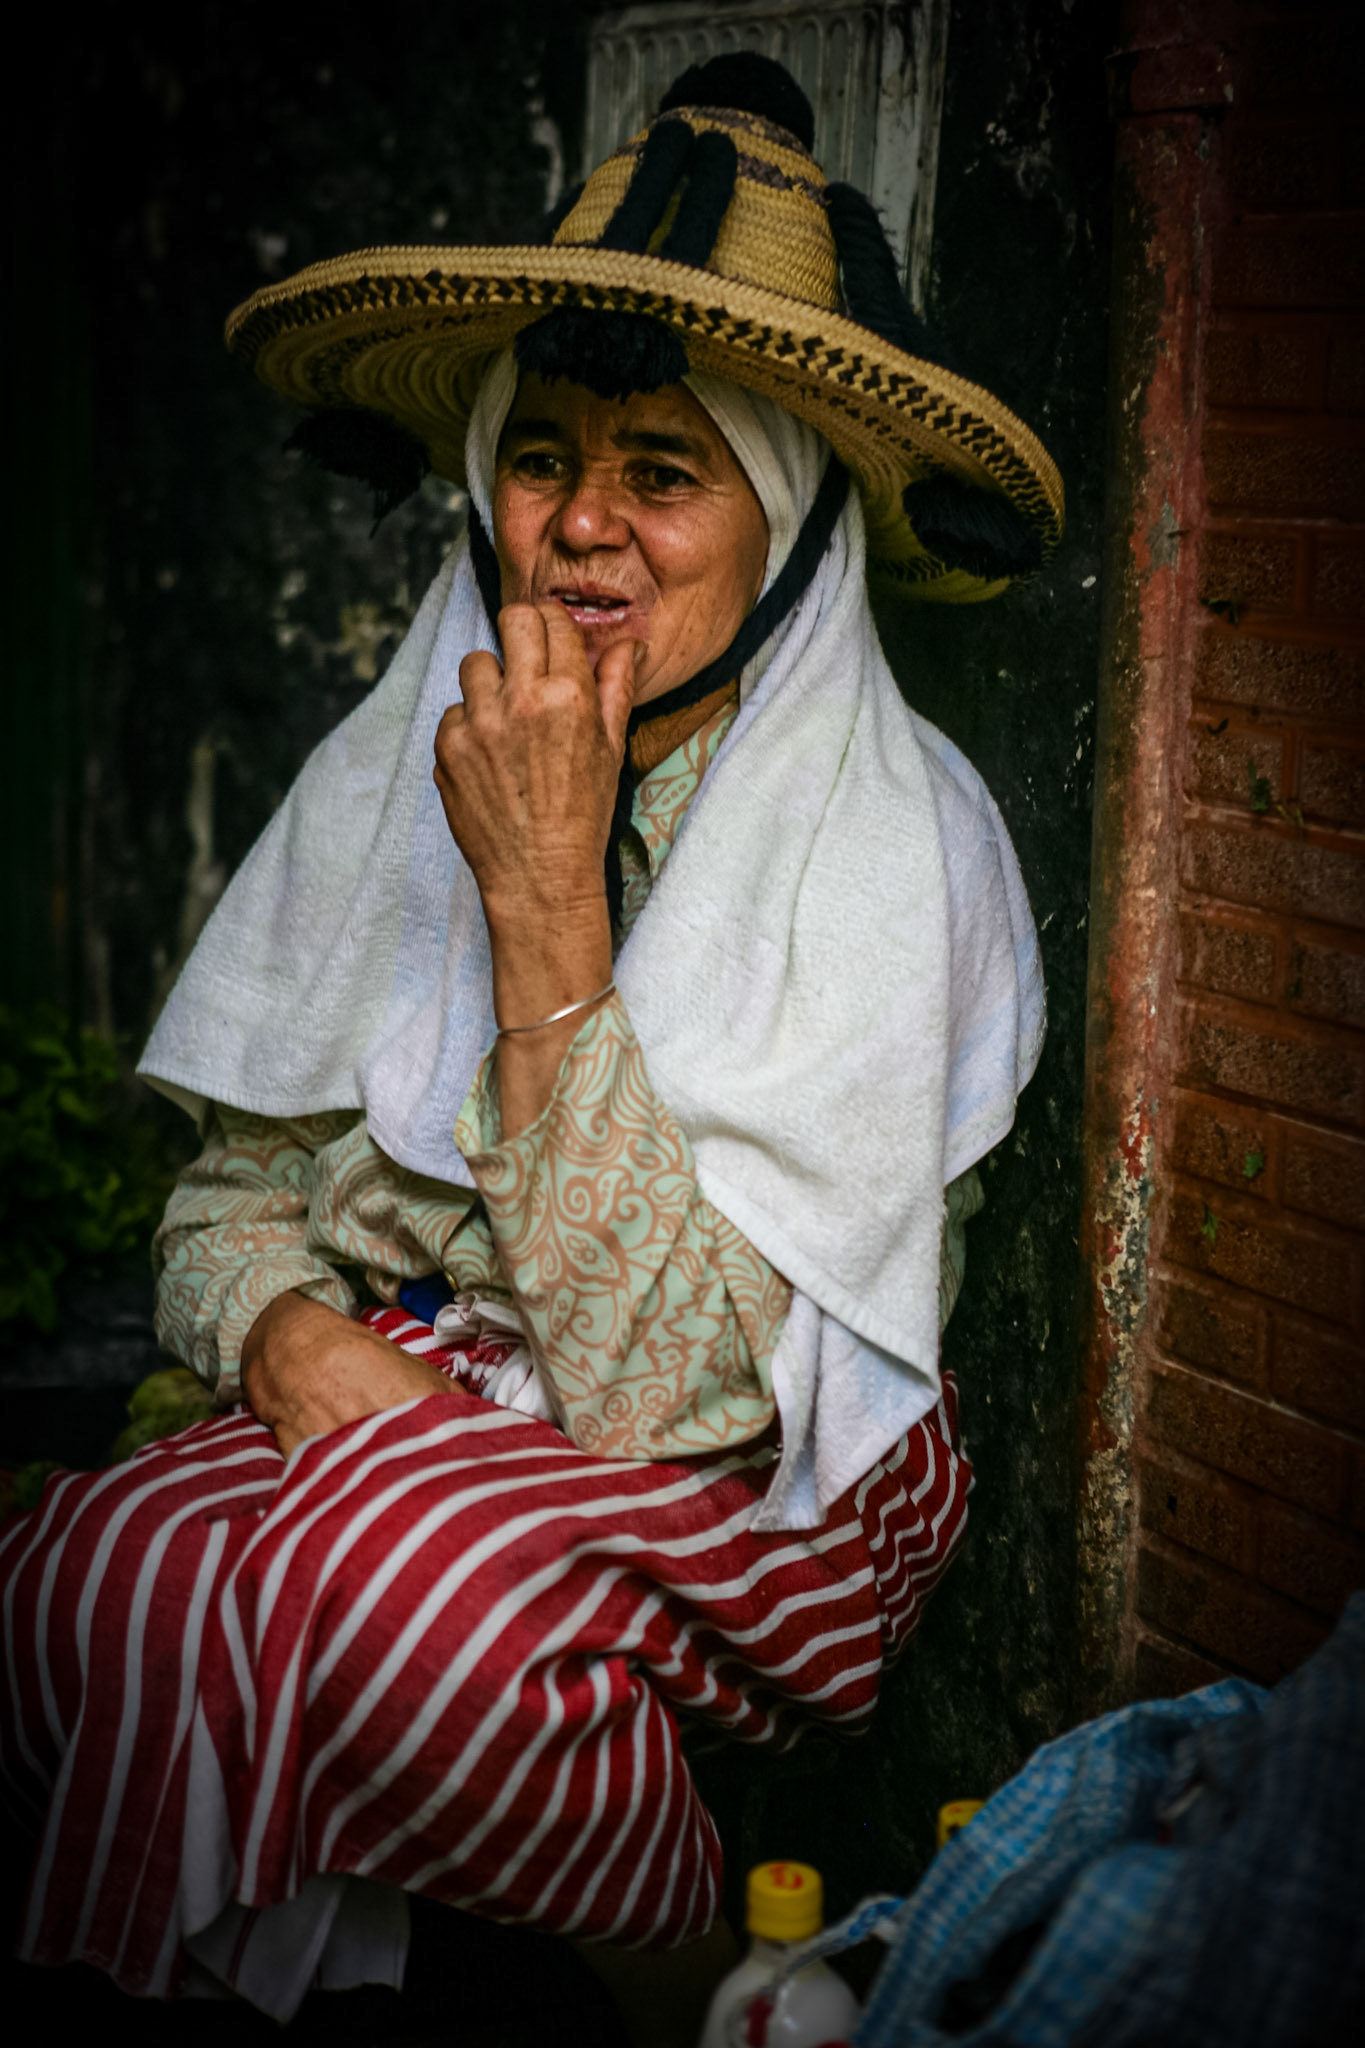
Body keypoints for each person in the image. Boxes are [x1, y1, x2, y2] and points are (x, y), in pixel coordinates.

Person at [0, 52, 1058, 2045]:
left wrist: (548, 913)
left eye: (662, 472)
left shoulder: (897, 855)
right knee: (92, 1576)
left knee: (404, 1593)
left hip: (767, 1477)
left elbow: (684, 1414)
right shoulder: (385, 765)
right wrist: (294, 1342)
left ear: (787, 521)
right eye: (541, 456)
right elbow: (229, 1205)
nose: (579, 528)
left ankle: (696, 1985)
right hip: (416, 1390)